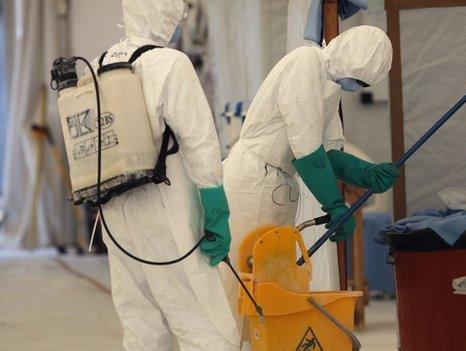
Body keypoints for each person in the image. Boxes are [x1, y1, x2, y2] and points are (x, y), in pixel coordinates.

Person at [222, 25, 398, 333]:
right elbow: (305, 147)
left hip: (279, 184)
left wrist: (364, 172)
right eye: (354, 78)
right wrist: (333, 203)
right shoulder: (305, 63)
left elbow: (327, 150)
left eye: (360, 83)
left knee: (272, 281)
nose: (353, 86)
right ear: (345, 55)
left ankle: (265, 342)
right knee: (241, 278)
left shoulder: (330, 84)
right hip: (251, 182)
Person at [97, 0, 238, 349]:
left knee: (140, 321)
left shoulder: (102, 63)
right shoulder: (170, 63)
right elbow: (199, 140)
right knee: (200, 318)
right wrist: (216, 209)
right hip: (163, 210)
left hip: (114, 213)